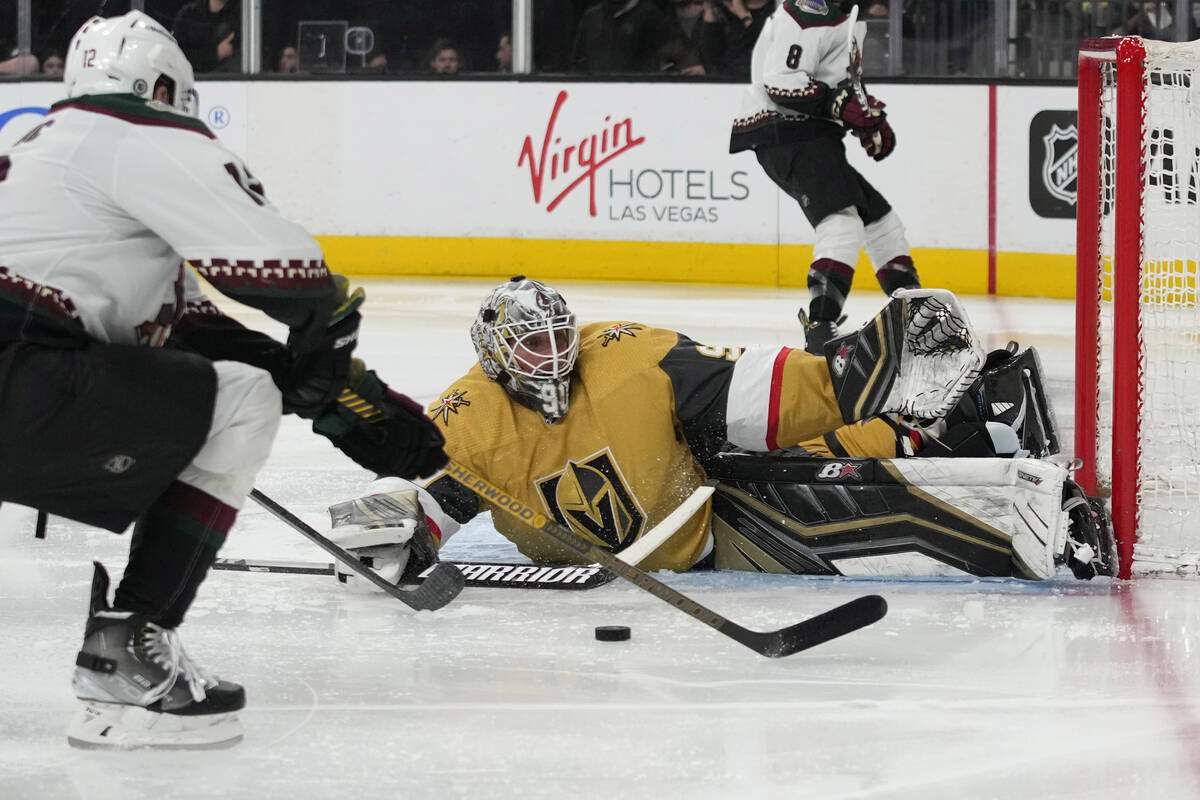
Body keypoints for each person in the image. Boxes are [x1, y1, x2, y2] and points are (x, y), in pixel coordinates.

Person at [0, 11, 447, 749]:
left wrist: (337, 398)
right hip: (23, 389)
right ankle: (130, 642)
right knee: (244, 402)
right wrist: (327, 345)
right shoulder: (134, 131)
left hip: (26, 376)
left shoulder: (50, 163)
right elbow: (294, 277)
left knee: (231, 380)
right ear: (166, 87)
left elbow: (192, 334)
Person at [323, 277, 1115, 596]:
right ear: (495, 357)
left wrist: (845, 374)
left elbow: (754, 392)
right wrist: (399, 529)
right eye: (533, 345)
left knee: (814, 462)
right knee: (828, 509)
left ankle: (975, 417)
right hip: (687, 531)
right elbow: (441, 499)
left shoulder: (624, 355)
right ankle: (997, 479)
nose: (554, 354)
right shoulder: (469, 419)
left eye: (559, 334)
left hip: (695, 495)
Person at [728, 0, 921, 356]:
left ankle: (913, 317)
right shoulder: (810, 9)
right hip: (786, 131)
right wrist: (840, 106)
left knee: (881, 223)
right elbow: (781, 83)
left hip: (810, 134)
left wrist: (865, 113)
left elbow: (833, 83)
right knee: (843, 225)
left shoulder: (844, 12)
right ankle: (820, 328)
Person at [571, 0, 674, 74]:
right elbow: (578, 63)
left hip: (636, 96)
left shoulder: (652, 16)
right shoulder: (591, 17)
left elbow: (663, 68)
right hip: (593, 96)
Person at [699, 0, 772, 79]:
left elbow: (768, 43)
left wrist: (743, 15)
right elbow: (710, 57)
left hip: (757, 80)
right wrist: (710, 10)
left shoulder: (779, 9)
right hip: (723, 81)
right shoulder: (724, 10)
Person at [172, 0, 240, 73]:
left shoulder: (246, 14)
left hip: (233, 81)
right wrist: (215, 53)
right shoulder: (188, 15)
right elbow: (176, 57)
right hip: (194, 80)